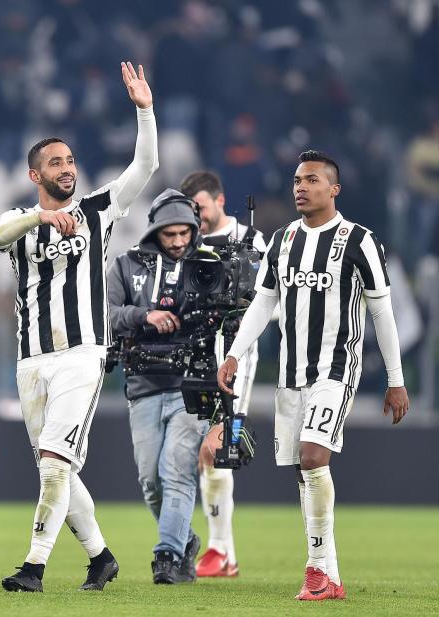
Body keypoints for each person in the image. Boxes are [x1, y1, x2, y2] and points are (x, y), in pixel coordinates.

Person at [0, 61, 158, 592]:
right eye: (55, 162)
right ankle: (101, 557)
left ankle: (34, 567)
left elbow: (145, 164)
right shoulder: (21, 221)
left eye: (70, 160)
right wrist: (38, 218)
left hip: (83, 353)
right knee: (53, 466)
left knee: (58, 458)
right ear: (35, 175)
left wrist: (144, 108)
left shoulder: (97, 209)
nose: (67, 168)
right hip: (31, 359)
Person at [218, 150, 410, 601]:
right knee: (305, 476)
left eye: (311, 180)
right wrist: (234, 354)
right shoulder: (284, 240)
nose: (300, 187)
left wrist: (396, 379)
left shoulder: (359, 241)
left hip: (335, 371)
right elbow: (264, 302)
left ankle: (313, 569)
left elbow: (383, 312)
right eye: (296, 181)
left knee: (311, 457)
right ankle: (330, 575)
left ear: (334, 189)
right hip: (291, 374)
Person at [106, 189, 208, 584]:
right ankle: (184, 540)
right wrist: (145, 315)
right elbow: (104, 313)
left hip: (191, 384)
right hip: (143, 382)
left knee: (177, 471)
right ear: (156, 231)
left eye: (186, 233)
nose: (180, 242)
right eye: (172, 234)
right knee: (150, 480)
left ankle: (166, 556)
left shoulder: (207, 265)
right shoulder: (125, 265)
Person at [179, 170, 267, 578]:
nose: (196, 215)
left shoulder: (253, 240)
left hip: (238, 357)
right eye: (190, 209)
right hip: (198, 354)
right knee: (206, 453)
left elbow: (274, 298)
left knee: (219, 447)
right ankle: (223, 552)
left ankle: (219, 549)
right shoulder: (187, 244)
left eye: (200, 206)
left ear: (220, 200)